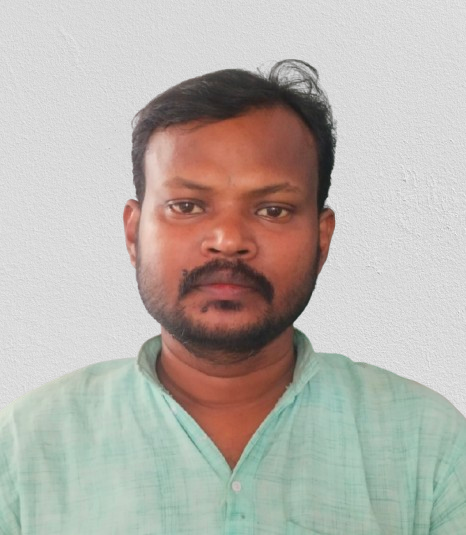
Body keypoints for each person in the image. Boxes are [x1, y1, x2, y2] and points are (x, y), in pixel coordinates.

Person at [1, 60, 465, 534]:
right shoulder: (23, 450)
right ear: (134, 233)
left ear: (321, 239)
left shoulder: (430, 447)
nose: (227, 240)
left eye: (272, 209)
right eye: (186, 206)